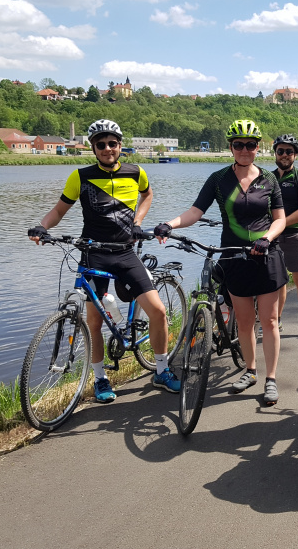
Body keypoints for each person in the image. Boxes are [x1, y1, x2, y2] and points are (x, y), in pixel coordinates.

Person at [27, 118, 180, 403]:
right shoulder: (80, 177)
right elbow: (59, 211)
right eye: (101, 145)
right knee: (94, 322)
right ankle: (100, 379)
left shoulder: (136, 172)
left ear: (120, 145)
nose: (108, 148)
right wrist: (42, 227)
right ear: (93, 148)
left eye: (112, 143)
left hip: (125, 252)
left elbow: (147, 195)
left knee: (158, 311)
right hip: (93, 253)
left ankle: (161, 370)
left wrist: (138, 221)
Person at [154, 119, 287, 406]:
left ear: (258, 147)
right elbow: (195, 211)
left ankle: (271, 378)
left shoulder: (269, 179)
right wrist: (170, 224)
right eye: (238, 145)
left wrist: (267, 238)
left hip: (265, 255)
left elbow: (280, 219)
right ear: (231, 147)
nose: (244, 150)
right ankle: (250, 371)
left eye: (250, 145)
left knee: (269, 320)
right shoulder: (218, 179)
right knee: (245, 321)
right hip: (234, 257)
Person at [272, 134, 298, 341]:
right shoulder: (267, 178)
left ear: (295, 155)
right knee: (277, 283)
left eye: (289, 151)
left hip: (295, 236)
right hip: (272, 238)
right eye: (280, 151)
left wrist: (278, 225)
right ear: (275, 154)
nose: (285, 155)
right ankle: (276, 320)